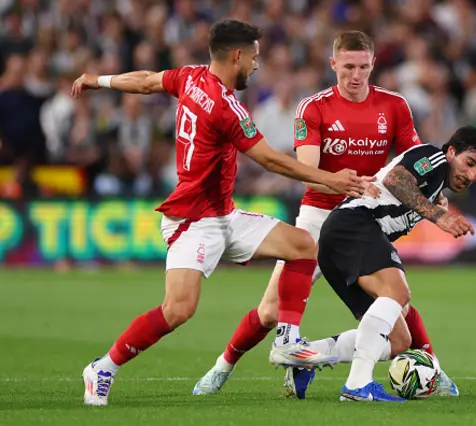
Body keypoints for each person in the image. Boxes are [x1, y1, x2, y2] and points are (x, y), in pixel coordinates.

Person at [73, 19, 368, 407]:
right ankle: (103, 367)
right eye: (255, 58)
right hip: (192, 219)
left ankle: (288, 339)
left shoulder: (189, 76)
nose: (257, 65)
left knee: (302, 245)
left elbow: (146, 80)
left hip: (223, 214)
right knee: (178, 310)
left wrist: (100, 80)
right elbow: (270, 160)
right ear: (237, 56)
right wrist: (332, 180)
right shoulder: (227, 108)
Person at [193, 30, 448, 399]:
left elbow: (413, 166)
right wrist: (347, 184)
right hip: (318, 219)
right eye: (348, 66)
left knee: (397, 303)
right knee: (268, 314)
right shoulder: (314, 108)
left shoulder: (394, 106)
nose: (355, 75)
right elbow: (307, 169)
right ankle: (222, 367)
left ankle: (432, 371)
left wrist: (434, 199)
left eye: (363, 66)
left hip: (366, 219)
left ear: (373, 64)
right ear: (334, 65)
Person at [318, 126, 476, 402]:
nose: (472, 175)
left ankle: (307, 357)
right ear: (451, 152)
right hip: (353, 224)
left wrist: (434, 205)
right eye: (469, 163)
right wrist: (439, 216)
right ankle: (357, 385)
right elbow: (394, 179)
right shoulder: (433, 158)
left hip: (342, 240)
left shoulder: (437, 188)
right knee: (398, 293)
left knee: (398, 341)